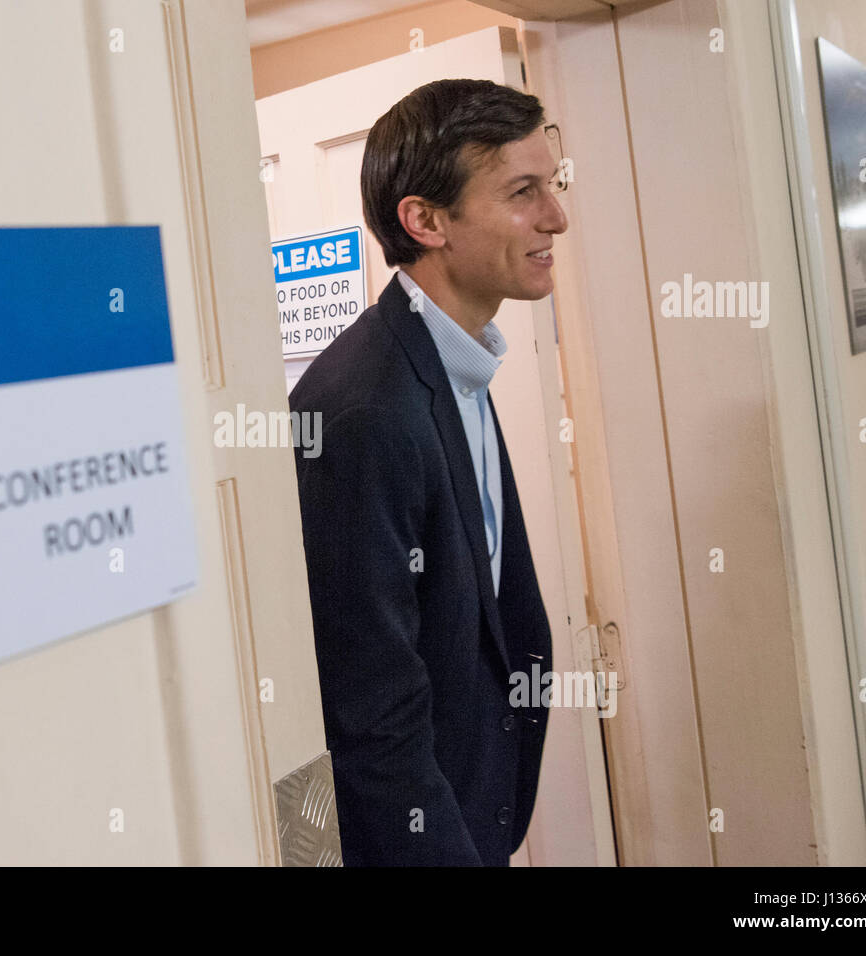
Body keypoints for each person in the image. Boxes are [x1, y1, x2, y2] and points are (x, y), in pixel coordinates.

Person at [289, 78, 568, 866]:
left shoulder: (455, 361)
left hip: (481, 814)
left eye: (554, 183)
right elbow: (372, 718)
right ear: (425, 220)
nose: (556, 217)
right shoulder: (364, 411)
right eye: (523, 192)